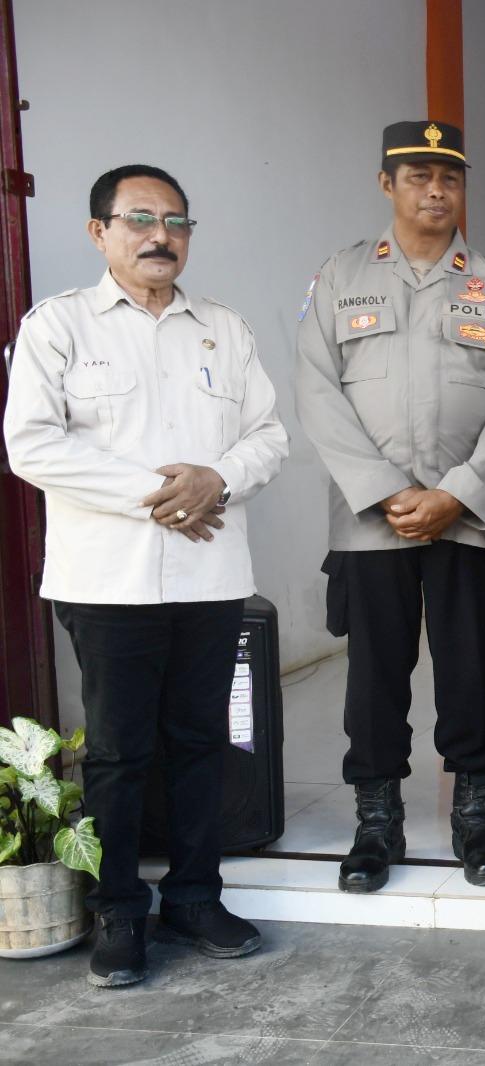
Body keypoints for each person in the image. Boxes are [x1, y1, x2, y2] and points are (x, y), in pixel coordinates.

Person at [3, 164, 289, 986]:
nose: (161, 236)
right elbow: (32, 444)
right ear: (100, 232)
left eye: (175, 222)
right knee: (119, 753)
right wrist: (160, 496)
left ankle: (196, 898)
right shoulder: (58, 326)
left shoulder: (224, 328)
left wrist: (218, 480)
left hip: (209, 575)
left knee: (202, 742)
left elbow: (269, 436)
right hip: (108, 582)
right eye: (139, 219)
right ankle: (119, 912)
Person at [295, 121, 485, 894]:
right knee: (373, 678)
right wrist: (387, 489)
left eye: (450, 177)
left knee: (472, 673)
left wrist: (457, 494)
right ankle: (377, 823)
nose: (437, 190)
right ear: (387, 184)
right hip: (369, 522)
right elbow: (315, 390)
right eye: (418, 176)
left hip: (466, 520)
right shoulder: (339, 277)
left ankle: (476, 818)